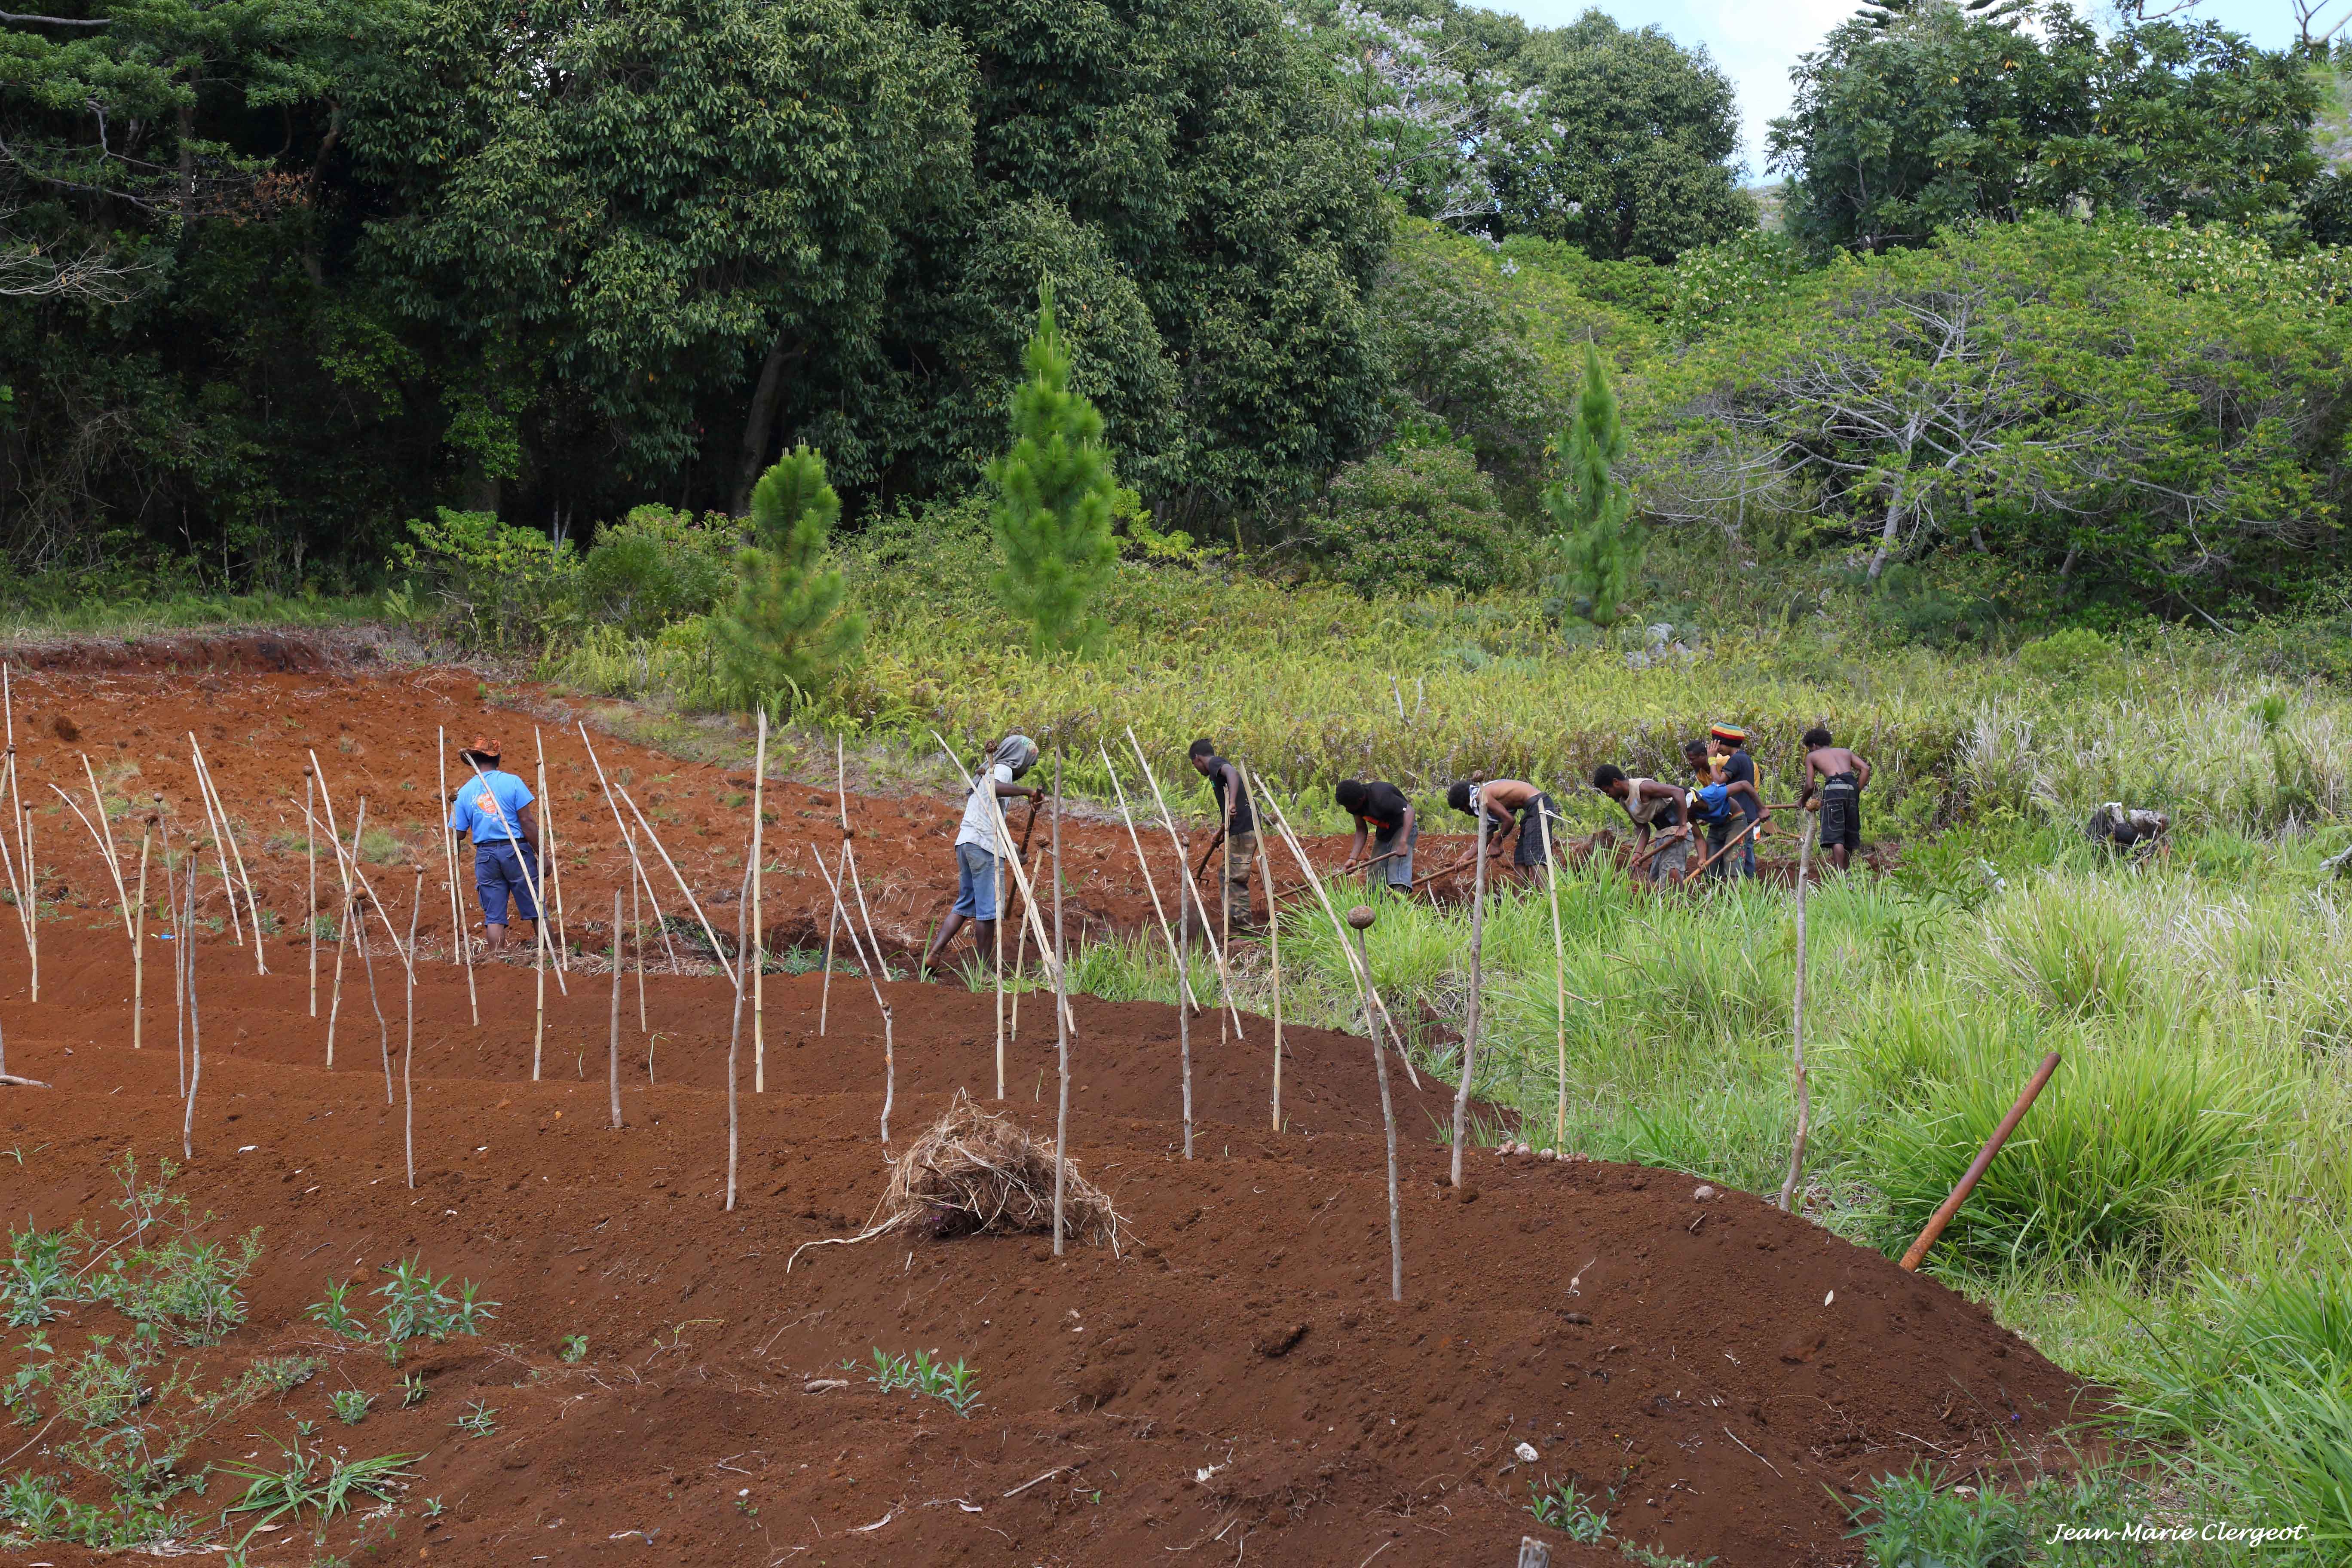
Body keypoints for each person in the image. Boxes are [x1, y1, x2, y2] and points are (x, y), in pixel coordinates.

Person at [920, 735, 1043, 978]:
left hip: (966, 843)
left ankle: (934, 953)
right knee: (989, 911)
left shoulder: (988, 770)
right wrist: (1028, 791)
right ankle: (985, 972)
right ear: (1020, 760)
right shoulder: (1003, 771)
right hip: (983, 849)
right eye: (1029, 764)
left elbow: (992, 822)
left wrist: (1015, 851)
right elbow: (994, 788)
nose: (1027, 770)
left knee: (966, 904)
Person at [447, 736, 541, 955]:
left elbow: (459, 834)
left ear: (474, 762)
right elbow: (527, 822)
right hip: (515, 851)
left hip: (486, 857)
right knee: (537, 909)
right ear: (498, 758)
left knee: (494, 917)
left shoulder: (465, 792)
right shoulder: (513, 782)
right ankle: (552, 956)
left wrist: (452, 808)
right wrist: (542, 855)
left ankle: (497, 962)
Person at [1188, 739, 1258, 933]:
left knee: (1234, 878)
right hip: (1238, 828)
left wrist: (1232, 803)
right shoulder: (1215, 771)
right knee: (1226, 875)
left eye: (1195, 766)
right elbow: (1228, 813)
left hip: (1243, 829)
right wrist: (1220, 833)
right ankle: (1236, 928)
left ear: (1198, 759)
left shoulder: (1215, 764)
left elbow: (1233, 773)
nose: (1197, 769)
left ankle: (1245, 932)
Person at [1592, 763, 1691, 884]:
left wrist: (1683, 826)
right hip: (1662, 835)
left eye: (1607, 791)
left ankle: (1677, 903)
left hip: (1677, 834)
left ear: (1616, 782)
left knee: (1669, 882)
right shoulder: (1624, 801)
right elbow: (1642, 827)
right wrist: (1638, 853)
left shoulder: (1642, 787)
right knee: (1654, 879)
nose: (1608, 795)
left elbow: (1678, 792)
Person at [1444, 778, 1558, 878]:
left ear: (1466, 803)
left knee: (1534, 857)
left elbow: (1509, 820)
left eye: (1462, 809)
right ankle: (1519, 901)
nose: (1465, 813)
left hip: (1539, 806)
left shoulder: (1483, 796)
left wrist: (1496, 843)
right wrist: (1466, 857)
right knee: (1520, 859)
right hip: (1531, 809)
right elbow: (1487, 836)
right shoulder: (1482, 802)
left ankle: (1546, 898)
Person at [1797, 726, 1871, 872]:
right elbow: (1865, 769)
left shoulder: (1812, 756)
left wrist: (1801, 801)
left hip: (1834, 789)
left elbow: (1810, 785)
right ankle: (1848, 874)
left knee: (1836, 835)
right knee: (1848, 834)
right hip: (1851, 788)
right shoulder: (1845, 752)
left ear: (1814, 745)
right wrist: (1856, 791)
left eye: (1810, 749)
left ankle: (1840, 876)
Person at [1335, 778, 1415, 897]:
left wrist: (1403, 842)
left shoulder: (1381, 796)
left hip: (1403, 827)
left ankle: (1400, 909)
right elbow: (1361, 829)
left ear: (1360, 800)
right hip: (1385, 831)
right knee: (1375, 872)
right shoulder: (1355, 804)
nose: (1347, 810)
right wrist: (1353, 858)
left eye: (1348, 807)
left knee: (1397, 869)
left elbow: (1410, 811)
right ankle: (1376, 908)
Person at [1705, 724, 1761, 879]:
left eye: (1719, 744)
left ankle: (1746, 892)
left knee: (1740, 860)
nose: (1717, 749)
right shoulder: (1744, 759)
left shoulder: (1736, 760)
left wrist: (1712, 760)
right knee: (1747, 857)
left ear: (1727, 743)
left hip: (1740, 817)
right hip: (1745, 815)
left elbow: (1718, 783)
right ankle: (1749, 891)